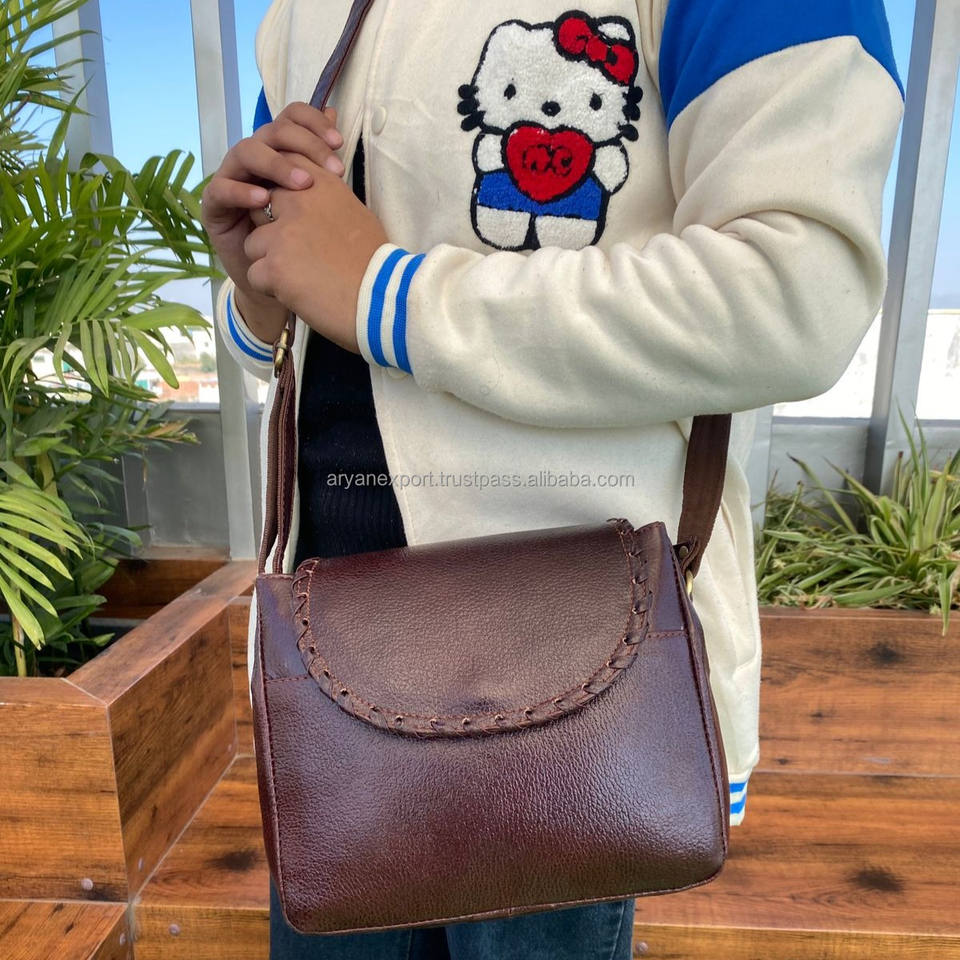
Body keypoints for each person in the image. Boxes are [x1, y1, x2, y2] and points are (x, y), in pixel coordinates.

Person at [201, 1, 904, 956]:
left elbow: (798, 291)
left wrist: (387, 291)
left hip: (563, 666)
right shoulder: (303, 14)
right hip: (329, 667)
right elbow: (303, 330)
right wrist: (257, 282)